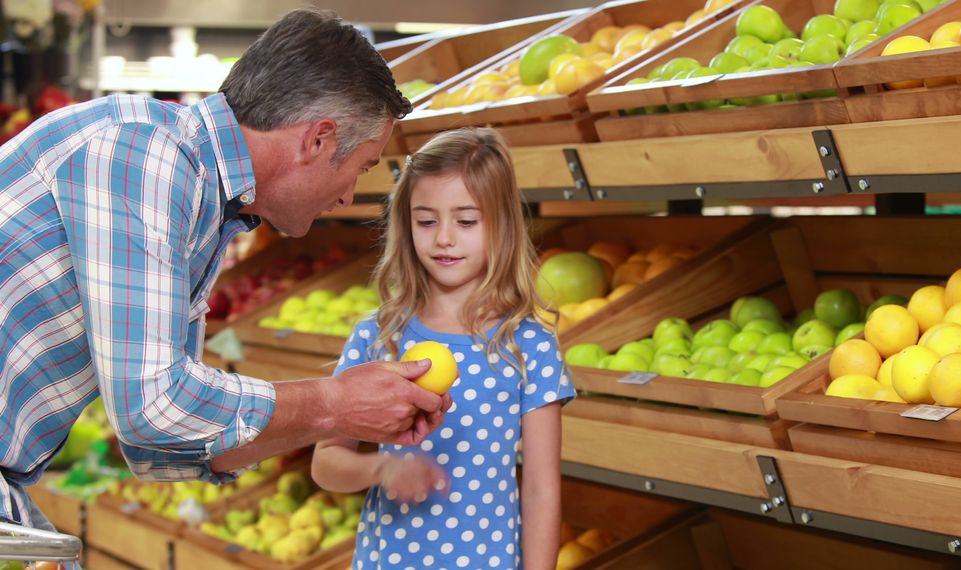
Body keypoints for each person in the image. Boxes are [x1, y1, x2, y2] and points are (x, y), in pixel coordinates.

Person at [0, 7, 450, 540]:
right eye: (363, 166)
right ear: (318, 141)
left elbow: (156, 447)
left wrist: (341, 417)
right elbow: (153, 405)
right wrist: (334, 401)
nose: (350, 194)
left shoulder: (205, 201)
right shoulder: (144, 155)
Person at [311, 128, 576, 569]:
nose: (444, 238)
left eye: (466, 221)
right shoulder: (380, 337)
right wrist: (380, 469)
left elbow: (541, 490)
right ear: (405, 223)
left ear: (503, 225)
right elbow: (326, 463)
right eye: (426, 220)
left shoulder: (528, 345)